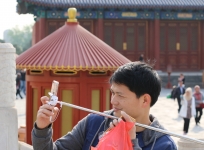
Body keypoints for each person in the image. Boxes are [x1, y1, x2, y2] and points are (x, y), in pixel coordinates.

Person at [31, 62, 177, 150]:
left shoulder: (164, 144)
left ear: (145, 100)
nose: (113, 101)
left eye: (120, 95)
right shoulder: (93, 123)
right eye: (112, 93)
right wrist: (42, 128)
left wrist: (130, 143)